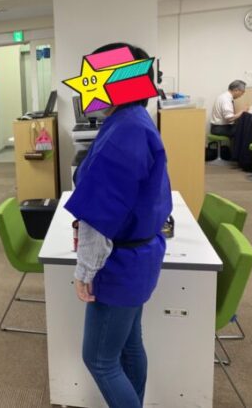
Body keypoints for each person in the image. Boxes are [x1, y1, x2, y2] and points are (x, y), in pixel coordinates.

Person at [65, 43, 172, 408]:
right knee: (129, 345)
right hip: (140, 257)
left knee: (99, 359)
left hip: (119, 263)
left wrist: (85, 270)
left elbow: (100, 213)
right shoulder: (136, 121)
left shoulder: (123, 132)